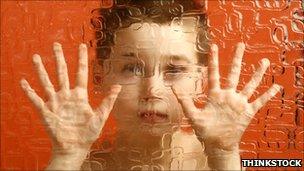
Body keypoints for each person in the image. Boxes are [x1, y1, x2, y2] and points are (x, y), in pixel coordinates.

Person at [20, 0, 281, 170]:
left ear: (200, 81)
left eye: (175, 70)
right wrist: (66, 158)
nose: (152, 90)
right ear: (100, 77)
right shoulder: (84, 164)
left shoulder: (217, 161)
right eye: (131, 68)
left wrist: (225, 155)